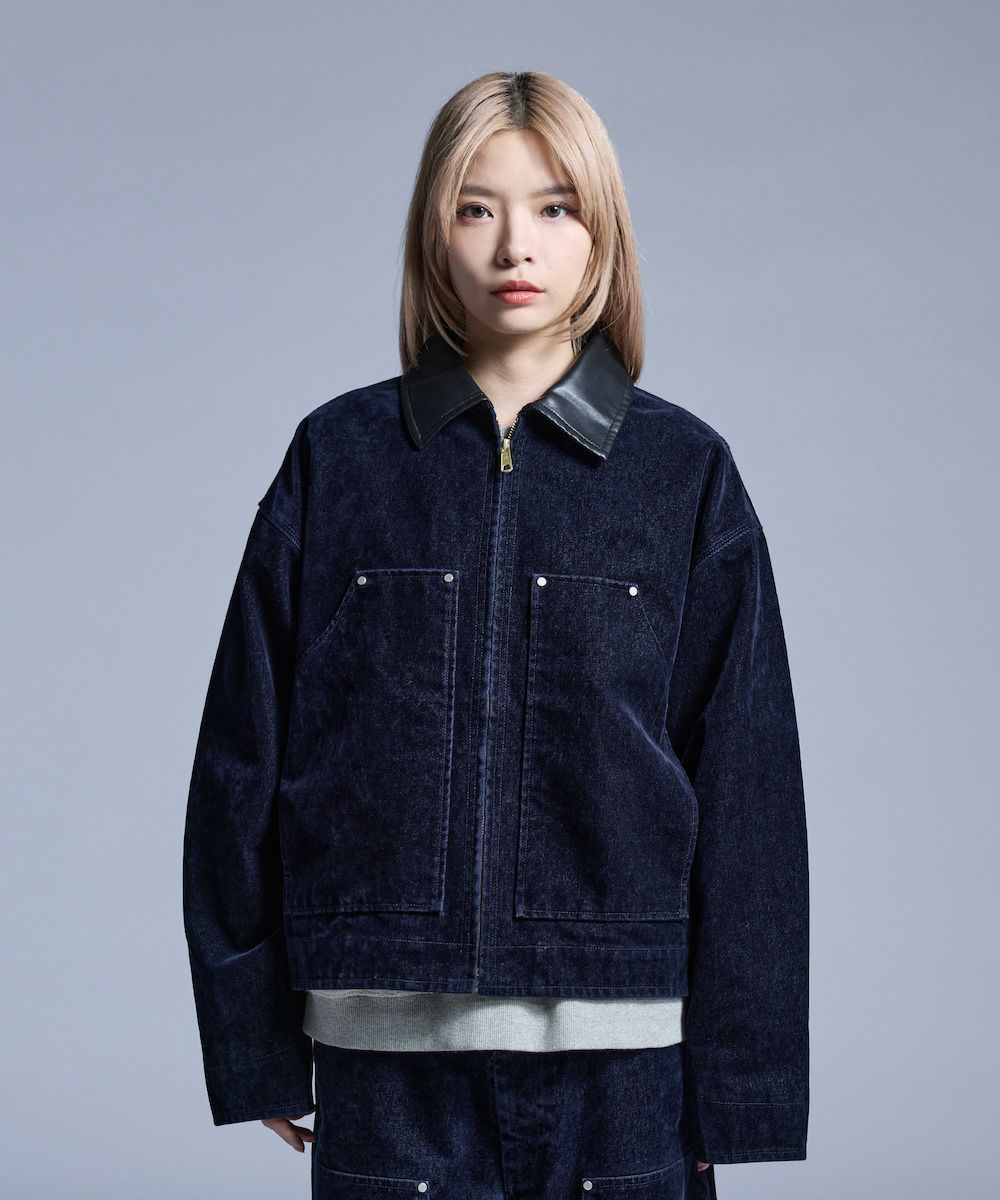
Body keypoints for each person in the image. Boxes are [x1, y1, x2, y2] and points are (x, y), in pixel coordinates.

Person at [183, 70, 809, 1198]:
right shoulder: (340, 460)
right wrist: (250, 1040)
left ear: (602, 231)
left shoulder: (685, 476)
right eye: (477, 207)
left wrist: (741, 1086)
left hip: (626, 1067)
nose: (515, 243)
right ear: (435, 232)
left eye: (555, 207)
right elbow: (241, 757)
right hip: (386, 1065)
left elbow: (750, 796)